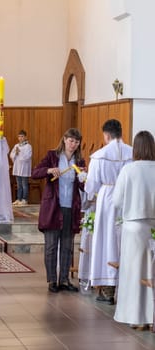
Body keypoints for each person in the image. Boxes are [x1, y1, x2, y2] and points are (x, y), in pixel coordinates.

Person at [84, 119, 132, 304]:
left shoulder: (99, 155)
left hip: (107, 199)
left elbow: (91, 185)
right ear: (121, 133)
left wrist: (88, 197)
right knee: (124, 241)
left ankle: (107, 289)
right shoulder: (132, 153)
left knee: (106, 241)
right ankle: (126, 287)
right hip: (128, 200)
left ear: (106, 135)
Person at [32, 128, 85, 293]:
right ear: (64, 139)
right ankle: (52, 280)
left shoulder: (79, 161)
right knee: (51, 246)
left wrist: (84, 178)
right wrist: (48, 170)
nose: (73, 144)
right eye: (71, 140)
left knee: (68, 246)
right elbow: (35, 173)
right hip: (53, 207)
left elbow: (83, 185)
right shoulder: (52, 155)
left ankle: (64, 279)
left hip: (71, 206)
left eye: (76, 142)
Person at [113, 130, 155, 330]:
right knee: (151, 272)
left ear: (136, 148)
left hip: (133, 227)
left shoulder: (129, 170)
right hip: (153, 226)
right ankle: (151, 316)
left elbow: (117, 201)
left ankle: (135, 317)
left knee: (133, 273)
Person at [10, 130, 32, 207]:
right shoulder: (16, 146)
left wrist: (20, 153)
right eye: (19, 136)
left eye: (22, 136)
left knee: (24, 184)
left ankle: (24, 199)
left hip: (24, 168)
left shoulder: (28, 146)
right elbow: (11, 155)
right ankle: (19, 199)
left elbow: (27, 157)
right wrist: (15, 153)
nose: (20, 138)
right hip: (17, 167)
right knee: (19, 184)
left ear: (25, 137)